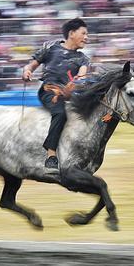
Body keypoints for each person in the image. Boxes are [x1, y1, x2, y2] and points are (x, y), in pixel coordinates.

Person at [21, 18, 90, 173]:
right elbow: (31, 65)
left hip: (71, 94)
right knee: (60, 113)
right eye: (83, 33)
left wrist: (75, 85)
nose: (87, 37)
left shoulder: (83, 59)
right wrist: (27, 70)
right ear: (72, 33)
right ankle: (51, 155)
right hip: (49, 91)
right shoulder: (50, 47)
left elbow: (82, 76)